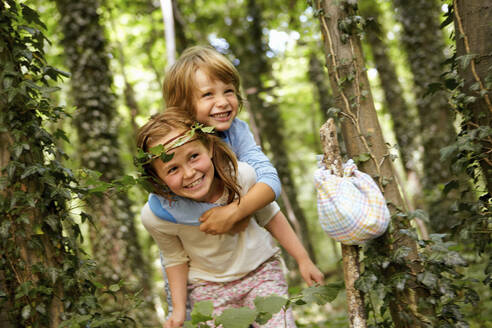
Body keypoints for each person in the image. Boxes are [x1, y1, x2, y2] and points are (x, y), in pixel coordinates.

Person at [137, 110, 323, 328]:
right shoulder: (158, 216)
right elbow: (174, 258)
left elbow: (270, 215)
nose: (189, 173)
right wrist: (178, 311)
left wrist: (303, 259)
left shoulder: (242, 177)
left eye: (193, 156)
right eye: (173, 169)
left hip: (261, 273)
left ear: (209, 148)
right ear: (157, 179)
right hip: (208, 287)